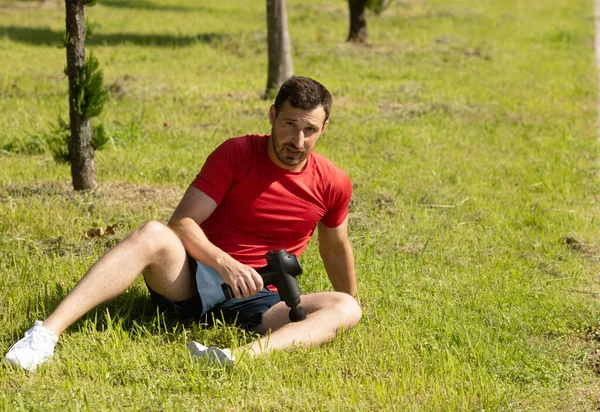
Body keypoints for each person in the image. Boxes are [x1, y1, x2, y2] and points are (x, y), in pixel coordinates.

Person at [4, 76, 362, 371]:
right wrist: (224, 262)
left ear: (324, 128)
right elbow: (183, 223)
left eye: (309, 130)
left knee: (346, 308)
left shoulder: (333, 182)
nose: (297, 141)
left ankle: (234, 359)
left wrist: (353, 299)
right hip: (193, 279)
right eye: (289, 125)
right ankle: (44, 336)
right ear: (272, 116)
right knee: (154, 233)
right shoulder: (236, 154)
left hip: (261, 303)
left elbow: (334, 247)